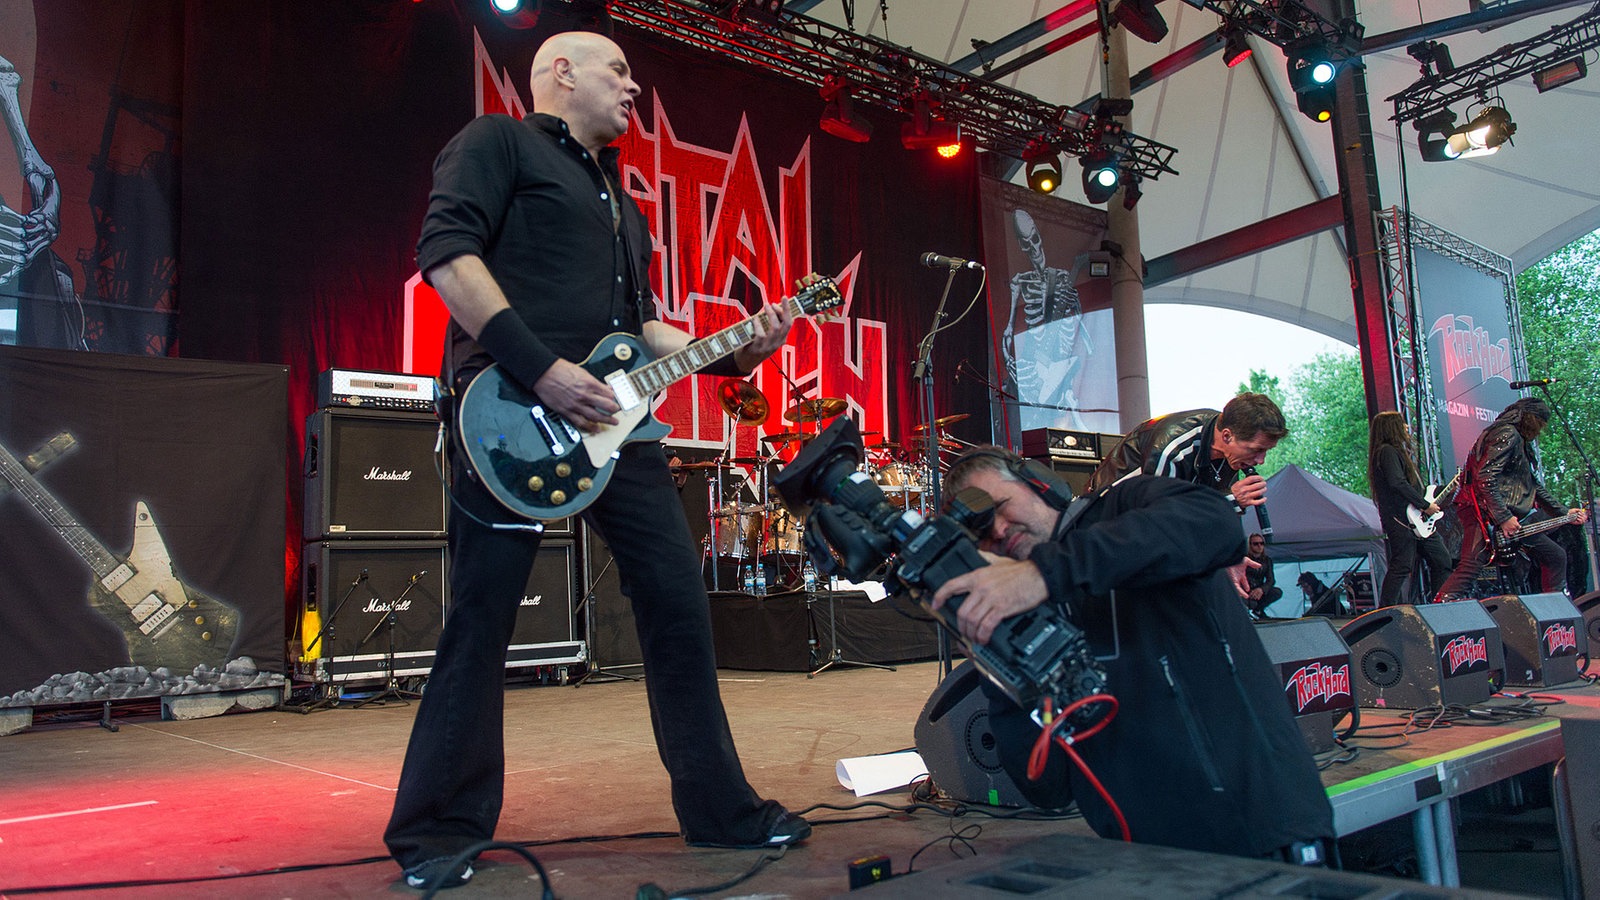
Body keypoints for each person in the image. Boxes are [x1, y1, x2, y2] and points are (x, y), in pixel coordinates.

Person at [384, 32, 807, 890]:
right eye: (618, 70)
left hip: (622, 427)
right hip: (509, 412)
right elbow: (447, 258)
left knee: (679, 605)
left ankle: (721, 812)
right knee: (482, 619)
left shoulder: (624, 199)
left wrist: (740, 350)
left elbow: (645, 328)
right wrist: (539, 368)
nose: (633, 85)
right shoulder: (494, 142)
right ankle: (437, 834)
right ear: (561, 73)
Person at [932, 448, 1334, 862]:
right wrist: (996, 661)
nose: (997, 530)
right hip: (1144, 861)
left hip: (1259, 833)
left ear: (1038, 483)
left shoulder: (1124, 505)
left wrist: (1043, 573)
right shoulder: (1029, 611)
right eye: (980, 533)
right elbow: (1047, 788)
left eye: (998, 507)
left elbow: (1215, 525)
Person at [1086, 392, 1288, 595]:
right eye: (1256, 449)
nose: (1261, 460)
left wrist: (1228, 557)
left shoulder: (1230, 455)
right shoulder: (1173, 447)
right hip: (1104, 524)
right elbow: (1160, 519)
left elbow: (1212, 520)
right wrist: (1229, 500)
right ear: (1227, 436)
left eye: (1266, 451)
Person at [1433, 397, 1588, 601]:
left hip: (1502, 514)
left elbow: (1531, 485)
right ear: (1532, 418)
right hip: (1483, 512)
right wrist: (1503, 517)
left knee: (1555, 555)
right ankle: (1442, 607)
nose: (1540, 430)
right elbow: (1485, 476)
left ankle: (1554, 608)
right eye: (1540, 423)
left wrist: (1563, 512)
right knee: (1471, 565)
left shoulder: (1515, 438)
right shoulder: (1507, 434)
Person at [1367, 411, 1455, 606]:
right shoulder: (1386, 451)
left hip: (1416, 519)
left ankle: (1439, 605)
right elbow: (1397, 483)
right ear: (1392, 427)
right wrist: (1424, 505)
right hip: (1402, 520)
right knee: (1401, 565)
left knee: (1441, 560)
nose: (1407, 428)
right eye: (1402, 424)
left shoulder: (1397, 452)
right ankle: (1386, 610)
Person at [1243, 532, 1281, 618]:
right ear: (1250, 545)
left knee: (1277, 592)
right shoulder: (1244, 559)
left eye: (1262, 543)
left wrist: (1262, 589)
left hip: (1259, 591)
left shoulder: (1267, 560)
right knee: (1245, 601)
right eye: (1256, 544)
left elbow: (1271, 579)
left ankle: (1258, 610)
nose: (1259, 546)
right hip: (1246, 591)